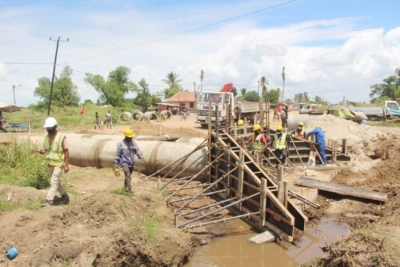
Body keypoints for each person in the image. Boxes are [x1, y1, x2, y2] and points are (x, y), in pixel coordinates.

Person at [39, 117, 70, 207]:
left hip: (59, 164)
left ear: (55, 127)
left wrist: (66, 165)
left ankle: (49, 201)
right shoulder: (46, 137)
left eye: (50, 128)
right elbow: (45, 149)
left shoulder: (61, 137)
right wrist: (42, 151)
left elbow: (66, 151)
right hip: (50, 163)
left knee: (53, 182)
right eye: (47, 128)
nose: (49, 130)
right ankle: (65, 196)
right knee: (56, 182)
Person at [113, 128, 146, 193]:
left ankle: (125, 189)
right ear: (125, 136)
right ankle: (129, 190)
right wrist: (115, 163)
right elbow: (117, 154)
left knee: (128, 177)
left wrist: (141, 157)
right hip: (124, 162)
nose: (131, 138)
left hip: (131, 163)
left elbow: (137, 151)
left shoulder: (134, 143)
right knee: (128, 175)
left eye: (131, 137)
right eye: (129, 137)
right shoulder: (120, 144)